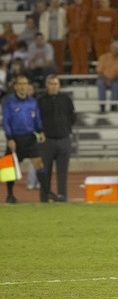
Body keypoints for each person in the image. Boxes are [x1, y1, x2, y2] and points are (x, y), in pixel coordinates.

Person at [2, 75, 48, 203]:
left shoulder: (33, 102)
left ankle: (46, 194)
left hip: (30, 138)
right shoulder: (9, 102)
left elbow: (37, 119)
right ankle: (10, 195)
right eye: (20, 84)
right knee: (10, 169)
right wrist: (9, 138)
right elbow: (6, 121)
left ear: (28, 86)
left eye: (25, 83)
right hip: (15, 139)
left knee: (39, 164)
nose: (23, 86)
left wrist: (40, 131)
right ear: (15, 86)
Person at [37, 74, 74, 202]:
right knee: (44, 173)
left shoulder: (66, 99)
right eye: (51, 84)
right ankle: (44, 199)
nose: (53, 86)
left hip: (64, 140)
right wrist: (40, 133)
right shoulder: (40, 100)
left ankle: (62, 198)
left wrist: (66, 130)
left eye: (56, 84)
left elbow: (72, 117)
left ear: (59, 85)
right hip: (46, 142)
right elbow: (35, 121)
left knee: (62, 174)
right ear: (46, 85)